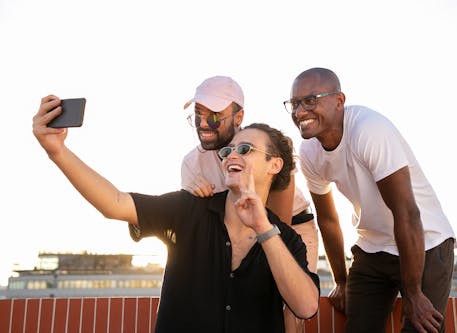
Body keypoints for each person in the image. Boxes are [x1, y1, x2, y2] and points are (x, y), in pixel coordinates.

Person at [32, 96, 320, 333]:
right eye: (227, 151)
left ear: (274, 165)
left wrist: (263, 228)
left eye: (245, 149)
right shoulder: (187, 209)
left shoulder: (288, 240)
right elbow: (115, 203)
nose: (231, 155)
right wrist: (57, 151)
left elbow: (306, 307)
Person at [284, 68, 456, 333]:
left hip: (425, 242)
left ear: (339, 101)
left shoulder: (368, 129)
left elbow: (407, 213)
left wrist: (413, 293)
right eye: (295, 103)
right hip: (373, 248)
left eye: (310, 100)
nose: (300, 112)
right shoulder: (309, 152)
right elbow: (328, 220)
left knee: (421, 327)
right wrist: (341, 280)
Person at [181, 76, 319, 333]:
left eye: (213, 116)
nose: (203, 123)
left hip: (290, 225)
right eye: (198, 115)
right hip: (236, 232)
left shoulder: (265, 146)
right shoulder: (191, 164)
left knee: (288, 306)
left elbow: (279, 225)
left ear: (238, 116)